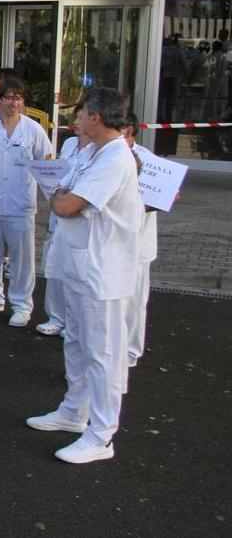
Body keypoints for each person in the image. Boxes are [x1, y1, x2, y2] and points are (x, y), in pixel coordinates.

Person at [29, 87, 142, 465]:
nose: (73, 120)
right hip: (78, 267)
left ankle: (102, 434)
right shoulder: (88, 152)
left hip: (102, 273)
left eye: (79, 114)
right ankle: (74, 411)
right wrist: (63, 196)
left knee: (103, 353)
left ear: (95, 116)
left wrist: (63, 197)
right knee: (76, 342)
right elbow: (62, 196)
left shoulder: (115, 158)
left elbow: (67, 203)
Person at [0, 77, 53, 327]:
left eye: (19, 98)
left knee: (22, 258)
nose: (14, 103)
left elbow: (45, 161)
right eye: (9, 97)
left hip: (21, 202)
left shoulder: (33, 130)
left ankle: (22, 304)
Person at [35, 127, 94, 338]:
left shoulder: (98, 151)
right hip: (58, 208)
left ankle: (73, 322)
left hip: (76, 213)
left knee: (75, 275)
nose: (77, 123)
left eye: (81, 117)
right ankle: (56, 317)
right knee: (55, 269)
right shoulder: (69, 144)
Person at [120, 114, 159, 368]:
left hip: (138, 243)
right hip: (113, 244)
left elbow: (155, 199)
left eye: (125, 134)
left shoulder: (149, 161)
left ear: (132, 135)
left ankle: (131, 352)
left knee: (135, 301)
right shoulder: (102, 156)